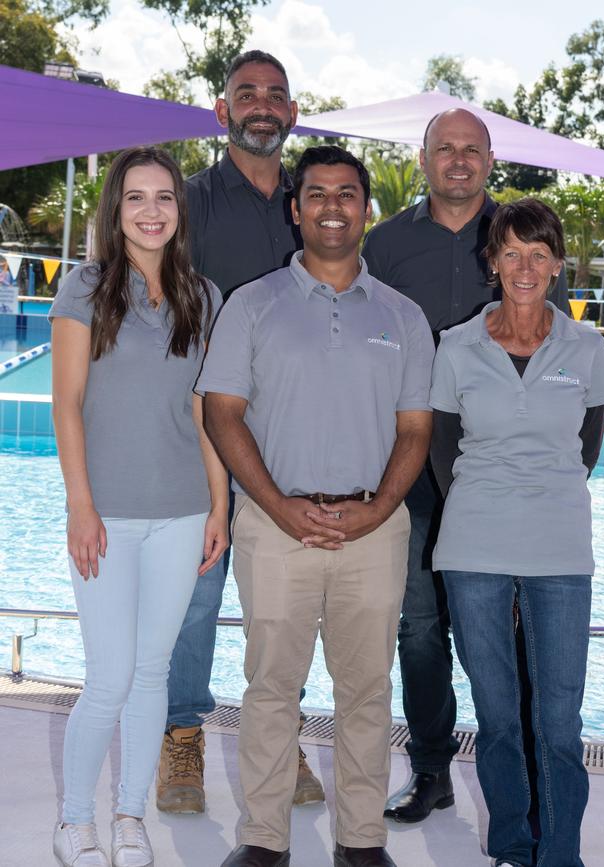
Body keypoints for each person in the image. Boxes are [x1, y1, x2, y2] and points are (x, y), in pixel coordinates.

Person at [197, 145, 435, 867]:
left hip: (374, 528)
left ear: (367, 208)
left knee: (366, 689)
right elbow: (222, 413)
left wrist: (377, 507)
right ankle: (264, 839)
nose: (333, 205)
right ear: (295, 209)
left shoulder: (404, 316)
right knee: (271, 687)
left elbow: (415, 429)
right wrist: (274, 504)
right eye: (318, 194)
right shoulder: (253, 304)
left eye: (348, 193)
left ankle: (360, 839)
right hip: (275, 528)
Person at [361, 108, 571, 823]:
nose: (458, 160)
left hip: (505, 481)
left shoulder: (522, 241)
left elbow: (563, 357)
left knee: (515, 625)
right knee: (419, 627)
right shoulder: (384, 245)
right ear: (424, 159)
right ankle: (431, 769)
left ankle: (528, 774)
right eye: (444, 148)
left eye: (471, 150)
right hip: (413, 473)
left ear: (489, 159)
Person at [50, 146, 228, 867]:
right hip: (109, 515)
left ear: (179, 211)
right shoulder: (85, 288)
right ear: (115, 210)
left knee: (152, 672)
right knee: (110, 675)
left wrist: (218, 507)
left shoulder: (202, 295)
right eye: (135, 198)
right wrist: (80, 505)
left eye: (164, 197)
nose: (152, 210)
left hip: (182, 512)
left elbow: (204, 409)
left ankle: (128, 815)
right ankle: (72, 821)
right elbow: (67, 404)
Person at [158, 50, 323, 815]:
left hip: (289, 441)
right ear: (222, 112)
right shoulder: (185, 205)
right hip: (198, 438)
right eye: (246, 94)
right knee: (195, 600)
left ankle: (278, 738)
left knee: (280, 607)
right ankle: (181, 737)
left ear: (292, 113)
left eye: (276, 95)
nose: (263, 105)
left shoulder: (316, 206)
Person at [429, 198, 604, 867]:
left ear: (558, 264)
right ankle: (511, 844)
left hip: (561, 549)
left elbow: (586, 447)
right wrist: (486, 514)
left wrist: (541, 506)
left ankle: (559, 854)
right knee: (499, 713)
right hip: (473, 548)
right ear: (493, 260)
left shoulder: (588, 347)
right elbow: (444, 450)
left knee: (559, 721)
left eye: (539, 253)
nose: (526, 266)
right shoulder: (455, 346)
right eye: (512, 251)